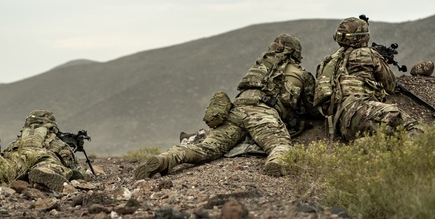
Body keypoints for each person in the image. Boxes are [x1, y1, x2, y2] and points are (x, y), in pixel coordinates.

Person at [134, 34, 315, 179]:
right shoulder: (301, 74)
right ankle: (276, 162)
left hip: (235, 111)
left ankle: (167, 158)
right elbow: (311, 107)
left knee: (207, 148)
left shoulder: (260, 66)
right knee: (280, 145)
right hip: (263, 114)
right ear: (296, 53)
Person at [313, 16, 418, 142]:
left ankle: (366, 145)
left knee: (388, 135)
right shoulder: (367, 54)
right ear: (363, 37)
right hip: (362, 111)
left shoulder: (329, 62)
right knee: (410, 125)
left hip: (342, 124)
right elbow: (390, 85)